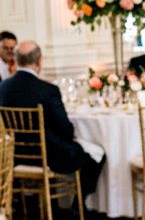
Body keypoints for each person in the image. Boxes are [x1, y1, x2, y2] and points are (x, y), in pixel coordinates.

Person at [0, 41, 105, 201]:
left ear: (17, 60)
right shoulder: (48, 90)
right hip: (49, 157)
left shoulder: (3, 87)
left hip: (15, 155)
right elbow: (66, 130)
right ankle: (78, 206)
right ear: (39, 60)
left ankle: (47, 204)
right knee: (96, 154)